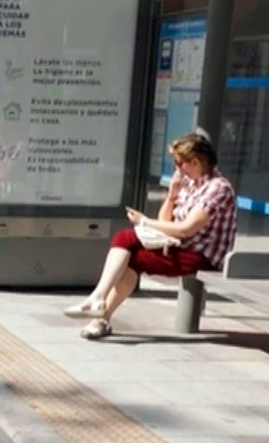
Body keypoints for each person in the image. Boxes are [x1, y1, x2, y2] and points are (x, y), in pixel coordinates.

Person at [63, 132, 237, 340]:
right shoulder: (191, 184)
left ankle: (99, 305)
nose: (177, 169)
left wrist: (144, 222)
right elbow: (166, 222)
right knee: (128, 252)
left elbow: (185, 230)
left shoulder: (218, 188)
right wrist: (172, 195)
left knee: (126, 242)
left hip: (201, 255)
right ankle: (100, 311)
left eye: (179, 163)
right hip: (180, 246)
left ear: (195, 162)